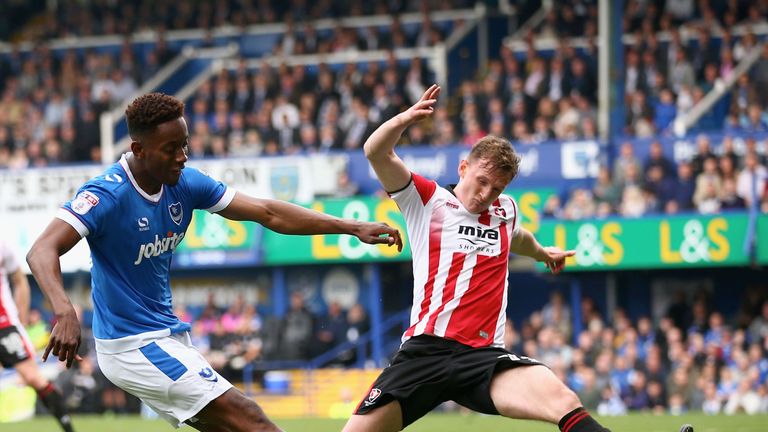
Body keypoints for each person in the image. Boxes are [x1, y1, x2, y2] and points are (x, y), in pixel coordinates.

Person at [26, 93, 403, 432]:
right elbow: (42, 250)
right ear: (139, 149)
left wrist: (351, 226)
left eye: (185, 145)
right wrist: (65, 311)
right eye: (170, 148)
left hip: (168, 336)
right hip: (133, 346)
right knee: (253, 420)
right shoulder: (107, 194)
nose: (182, 156)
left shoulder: (185, 183)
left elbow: (268, 213)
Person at [343, 85, 611, 432]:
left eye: (497, 188)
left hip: (482, 358)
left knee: (562, 401)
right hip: (424, 352)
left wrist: (543, 252)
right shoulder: (427, 200)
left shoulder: (505, 211)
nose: (486, 194)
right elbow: (375, 151)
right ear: (463, 167)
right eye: (482, 181)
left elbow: (518, 237)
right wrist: (406, 119)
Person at [0, 239, 75, 432]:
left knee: (33, 377)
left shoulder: (3, 245)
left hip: (5, 325)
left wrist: (21, 318)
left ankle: (67, 425)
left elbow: (19, 280)